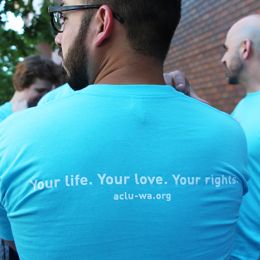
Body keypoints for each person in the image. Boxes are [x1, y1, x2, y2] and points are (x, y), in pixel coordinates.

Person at [0, 1, 248, 259]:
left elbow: (17, 241)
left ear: (102, 22)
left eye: (63, 18)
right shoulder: (228, 135)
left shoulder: (13, 138)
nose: (59, 36)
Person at [169, 14, 260, 260]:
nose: (222, 58)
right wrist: (193, 99)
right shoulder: (244, 106)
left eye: (226, 49)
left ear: (244, 48)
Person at [0, 55, 62, 123]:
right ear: (22, 84)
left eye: (48, 91)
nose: (45, 96)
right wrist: (21, 118)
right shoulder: (2, 116)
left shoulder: (42, 112)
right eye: (40, 91)